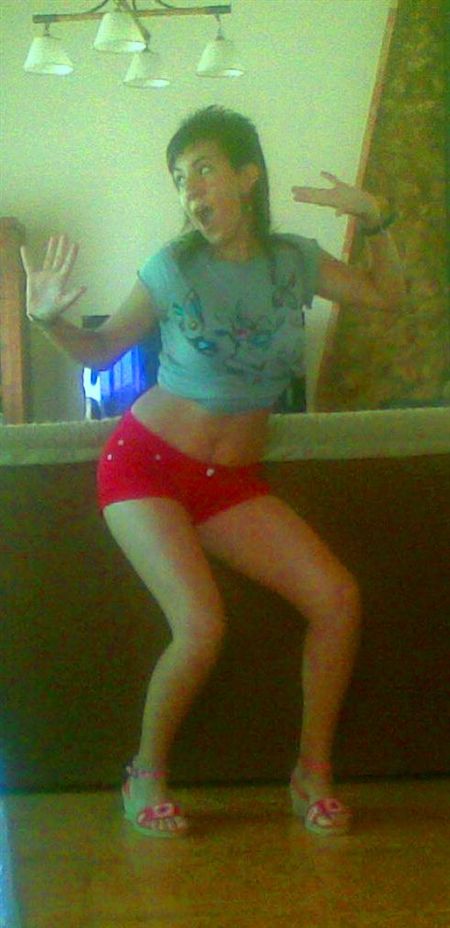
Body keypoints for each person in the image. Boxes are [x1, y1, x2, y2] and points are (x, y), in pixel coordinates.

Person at [20, 105, 406, 839]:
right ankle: (144, 773)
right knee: (201, 626)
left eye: (202, 168)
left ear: (247, 176)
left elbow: (388, 297)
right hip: (145, 466)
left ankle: (311, 773)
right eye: (179, 178)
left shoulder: (293, 261)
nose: (190, 188)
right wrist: (48, 321)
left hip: (228, 484)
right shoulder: (173, 268)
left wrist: (378, 219)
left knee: (337, 599)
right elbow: (100, 351)